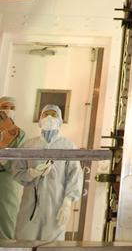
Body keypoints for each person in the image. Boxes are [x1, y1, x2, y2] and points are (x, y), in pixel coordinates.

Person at [14, 103, 83, 242]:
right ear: (40, 119)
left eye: (54, 115)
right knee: (24, 240)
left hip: (56, 205)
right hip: (30, 205)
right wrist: (31, 173)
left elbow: (75, 176)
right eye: (46, 115)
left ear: (60, 120)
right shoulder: (29, 145)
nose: (49, 118)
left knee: (51, 247)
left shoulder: (68, 146)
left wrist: (67, 203)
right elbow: (17, 171)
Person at [0, 96, 27, 239]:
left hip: (8, 180)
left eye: (12, 108)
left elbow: (19, 161)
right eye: (4, 107)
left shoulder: (19, 134)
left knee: (7, 215)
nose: (8, 110)